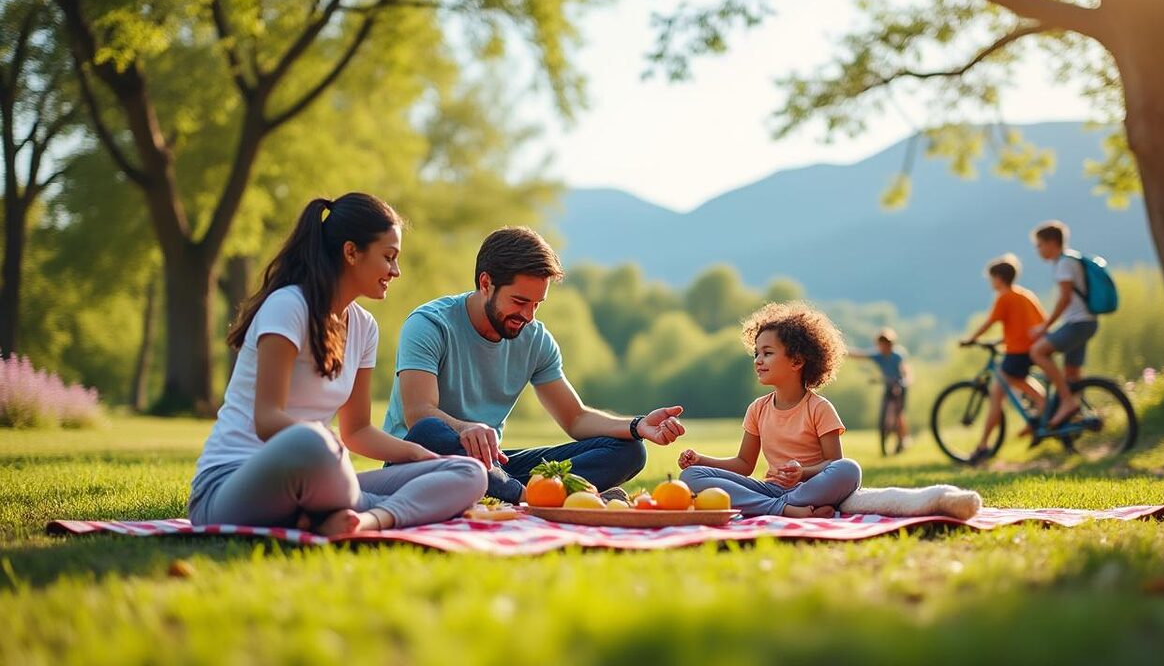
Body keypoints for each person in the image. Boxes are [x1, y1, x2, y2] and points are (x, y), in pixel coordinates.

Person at [189, 194, 488, 537]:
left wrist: (419, 455)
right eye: (388, 257)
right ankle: (371, 505)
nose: (396, 271)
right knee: (313, 440)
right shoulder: (288, 306)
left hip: (321, 476)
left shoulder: (364, 327)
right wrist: (326, 443)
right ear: (351, 252)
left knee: (468, 472)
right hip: (230, 486)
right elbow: (267, 419)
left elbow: (357, 431)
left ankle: (366, 520)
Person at [383, 226, 685, 503]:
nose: (528, 316)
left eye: (536, 304)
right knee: (430, 430)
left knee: (628, 450)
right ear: (486, 283)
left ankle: (514, 492)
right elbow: (418, 414)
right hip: (422, 458)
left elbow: (576, 418)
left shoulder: (535, 339)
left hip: (494, 466)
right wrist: (466, 429)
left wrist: (636, 425)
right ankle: (528, 495)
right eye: (519, 301)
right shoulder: (429, 324)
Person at [677, 302, 862, 518]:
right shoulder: (757, 408)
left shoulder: (820, 408)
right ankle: (783, 509)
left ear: (797, 361)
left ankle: (775, 507)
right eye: (756, 353)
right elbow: (744, 464)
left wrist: (802, 473)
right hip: (770, 489)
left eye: (767, 353)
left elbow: (833, 464)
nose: (758, 361)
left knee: (849, 469)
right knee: (690, 476)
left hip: (808, 489)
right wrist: (701, 460)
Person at [961, 253, 1048, 462]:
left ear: (999, 278)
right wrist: (1003, 340)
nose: (991, 282)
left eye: (991, 278)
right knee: (997, 395)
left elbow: (989, 322)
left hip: (1017, 352)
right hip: (1029, 348)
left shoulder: (1004, 297)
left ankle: (1043, 408)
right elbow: (1033, 323)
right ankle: (984, 444)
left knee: (1007, 388)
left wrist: (971, 339)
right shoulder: (1025, 295)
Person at [1028, 221, 1098, 428]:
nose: (1038, 250)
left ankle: (1067, 401)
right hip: (1086, 322)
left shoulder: (1064, 263)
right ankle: (1078, 417)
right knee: (1071, 375)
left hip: (1077, 323)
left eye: (1039, 245)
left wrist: (1045, 325)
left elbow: (1065, 298)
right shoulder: (1070, 260)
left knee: (1037, 352)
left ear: (1051, 243)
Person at [850, 327, 912, 452]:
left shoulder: (897, 355)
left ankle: (903, 439)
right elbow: (860, 354)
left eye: (886, 344)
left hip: (900, 385)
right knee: (885, 409)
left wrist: (906, 380)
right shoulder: (878, 355)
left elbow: (905, 370)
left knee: (899, 413)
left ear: (891, 344)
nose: (884, 347)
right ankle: (886, 430)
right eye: (881, 344)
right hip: (888, 385)